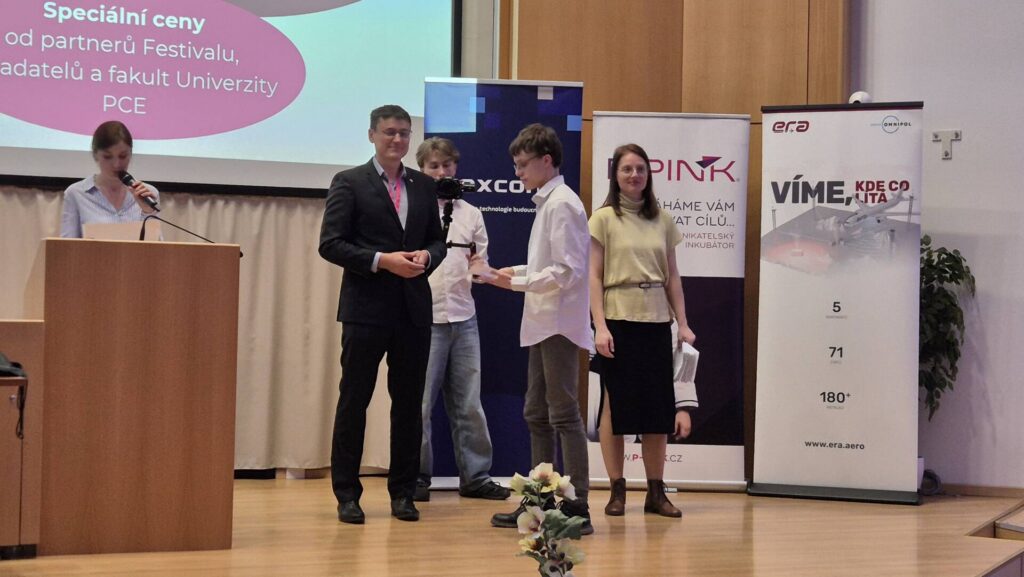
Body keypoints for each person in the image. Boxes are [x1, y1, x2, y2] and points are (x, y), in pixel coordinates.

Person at [318, 105, 447, 524]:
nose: (397, 139)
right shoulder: (349, 181)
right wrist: (381, 261)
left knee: (409, 405)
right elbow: (330, 243)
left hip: (413, 311)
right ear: (372, 134)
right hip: (365, 310)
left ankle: (403, 493)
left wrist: (428, 256)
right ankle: (347, 494)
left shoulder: (423, 185)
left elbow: (438, 241)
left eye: (404, 133)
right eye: (390, 132)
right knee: (354, 401)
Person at [479, 124, 594, 534]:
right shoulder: (549, 202)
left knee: (563, 413)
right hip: (544, 322)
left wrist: (512, 283)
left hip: (558, 323)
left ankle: (578, 507)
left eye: (523, 164)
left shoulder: (562, 204)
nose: (518, 173)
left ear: (547, 160)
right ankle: (540, 503)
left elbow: (567, 272)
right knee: (537, 413)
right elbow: (550, 263)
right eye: (516, 165)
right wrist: (512, 272)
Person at [588, 143, 696, 518]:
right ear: (615, 175)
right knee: (614, 407)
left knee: (657, 408)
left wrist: (683, 323)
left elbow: (673, 276)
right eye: (627, 169)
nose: (634, 175)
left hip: (656, 322)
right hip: (617, 321)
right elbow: (594, 276)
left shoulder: (662, 219)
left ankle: (655, 492)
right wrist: (600, 327)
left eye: (640, 169)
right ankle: (617, 490)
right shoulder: (602, 219)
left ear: (648, 175)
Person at [413, 138, 511, 503]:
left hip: (464, 318)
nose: (442, 172)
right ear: (422, 170)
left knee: (468, 403)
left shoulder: (471, 214)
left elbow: (479, 261)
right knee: (420, 404)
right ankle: (415, 477)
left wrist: (482, 271)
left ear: (456, 168)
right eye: (434, 166)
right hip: (425, 318)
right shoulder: (412, 210)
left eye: (447, 165)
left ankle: (476, 477)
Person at [60, 121, 159, 238]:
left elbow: (155, 246)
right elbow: (66, 246)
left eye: (123, 156)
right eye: (107, 157)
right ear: (95, 155)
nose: (116, 164)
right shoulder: (76, 194)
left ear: (131, 154)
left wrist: (148, 211)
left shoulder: (147, 194)